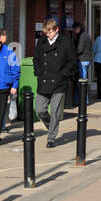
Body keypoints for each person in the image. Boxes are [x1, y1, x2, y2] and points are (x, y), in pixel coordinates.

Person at [33, 18, 77, 147]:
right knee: (39, 109)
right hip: (44, 80)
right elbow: (36, 59)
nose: (48, 34)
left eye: (50, 32)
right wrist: (38, 72)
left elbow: (72, 61)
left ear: (56, 29)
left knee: (55, 112)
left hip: (59, 82)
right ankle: (50, 125)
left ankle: (51, 137)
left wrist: (63, 74)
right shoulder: (41, 42)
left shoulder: (66, 42)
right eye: (46, 32)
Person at [71, 22, 92, 106]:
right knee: (82, 81)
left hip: (82, 60)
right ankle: (80, 100)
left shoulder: (82, 36)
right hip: (87, 60)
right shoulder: (86, 35)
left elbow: (79, 49)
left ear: (77, 28)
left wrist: (73, 54)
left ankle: (84, 101)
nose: (74, 32)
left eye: (74, 30)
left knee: (81, 82)